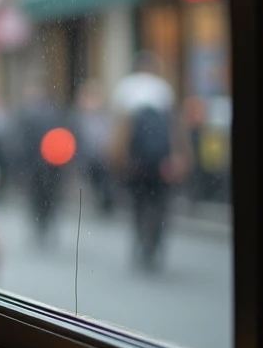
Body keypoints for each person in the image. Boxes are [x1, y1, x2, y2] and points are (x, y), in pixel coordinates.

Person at [110, 51, 186, 271]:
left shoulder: (126, 87)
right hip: (161, 160)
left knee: (138, 202)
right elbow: (175, 128)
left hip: (136, 161)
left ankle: (141, 239)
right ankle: (157, 239)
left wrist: (119, 161)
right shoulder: (164, 89)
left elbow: (118, 131)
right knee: (160, 202)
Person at [15, 73, 65, 246]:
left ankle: (44, 225)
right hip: (43, 164)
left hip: (45, 164)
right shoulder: (48, 112)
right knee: (42, 197)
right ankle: (43, 225)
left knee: (44, 197)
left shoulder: (41, 113)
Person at [74, 79, 115, 215]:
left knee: (104, 179)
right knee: (95, 178)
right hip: (89, 155)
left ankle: (107, 201)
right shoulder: (80, 118)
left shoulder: (104, 116)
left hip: (103, 154)